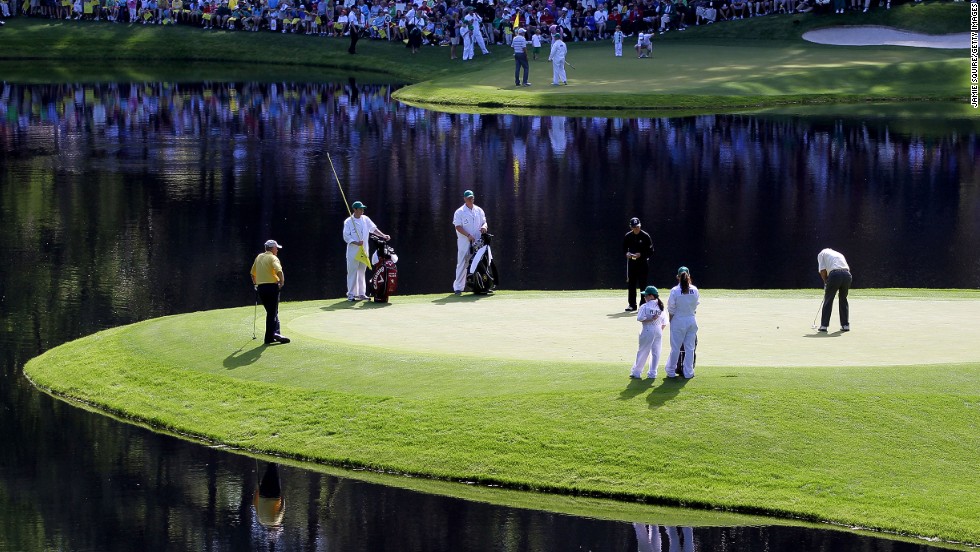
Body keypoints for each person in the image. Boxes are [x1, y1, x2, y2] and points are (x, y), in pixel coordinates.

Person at [343, 200, 389, 301]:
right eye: (360, 209)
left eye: (363, 209)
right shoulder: (348, 221)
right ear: (355, 210)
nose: (362, 210)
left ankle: (361, 294)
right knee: (352, 272)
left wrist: (383, 236)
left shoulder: (365, 219)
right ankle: (351, 294)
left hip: (364, 251)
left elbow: (373, 229)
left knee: (362, 272)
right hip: (353, 252)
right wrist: (355, 242)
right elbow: (346, 236)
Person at [250, 239, 290, 345]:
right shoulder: (273, 257)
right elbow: (279, 271)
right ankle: (269, 337)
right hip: (272, 287)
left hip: (261, 289)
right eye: (276, 248)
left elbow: (252, 274)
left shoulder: (259, 257)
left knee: (272, 312)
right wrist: (281, 282)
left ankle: (275, 333)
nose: (277, 250)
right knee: (272, 313)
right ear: (272, 248)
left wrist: (255, 284)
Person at [452, 189, 488, 295]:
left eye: (472, 197)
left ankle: (482, 285)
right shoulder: (460, 212)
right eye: (468, 198)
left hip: (478, 242)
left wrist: (484, 227)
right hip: (465, 242)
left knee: (480, 263)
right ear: (464, 199)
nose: (470, 199)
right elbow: (457, 226)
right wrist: (467, 235)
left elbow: (484, 222)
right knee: (462, 263)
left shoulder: (479, 210)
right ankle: (458, 287)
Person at [665, 266, 699, 379]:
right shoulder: (694, 289)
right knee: (690, 348)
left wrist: (671, 320)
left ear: (678, 277)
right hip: (691, 319)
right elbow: (695, 306)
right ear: (689, 276)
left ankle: (670, 371)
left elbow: (671, 308)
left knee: (676, 347)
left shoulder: (675, 290)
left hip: (678, 320)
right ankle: (688, 372)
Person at [630, 286, 666, 380]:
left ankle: (636, 372)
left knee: (643, 351)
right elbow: (664, 322)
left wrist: (650, 320)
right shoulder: (660, 306)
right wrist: (658, 331)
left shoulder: (645, 306)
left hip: (647, 329)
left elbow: (640, 318)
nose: (644, 297)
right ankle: (652, 374)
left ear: (651, 296)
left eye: (646, 295)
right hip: (658, 330)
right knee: (656, 352)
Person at [623, 217, 654, 311]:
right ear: (631, 227)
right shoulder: (628, 236)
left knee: (643, 284)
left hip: (643, 263)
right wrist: (627, 253)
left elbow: (651, 251)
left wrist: (641, 255)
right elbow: (624, 248)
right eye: (634, 227)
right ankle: (632, 304)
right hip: (632, 263)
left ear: (640, 226)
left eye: (637, 227)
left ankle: (643, 304)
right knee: (631, 284)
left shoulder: (645, 236)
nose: (636, 228)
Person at [817, 248, 851, 332]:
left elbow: (822, 270)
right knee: (843, 299)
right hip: (847, 275)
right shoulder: (838, 254)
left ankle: (824, 326)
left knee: (828, 299)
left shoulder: (821, 254)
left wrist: (825, 282)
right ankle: (845, 325)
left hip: (835, 275)